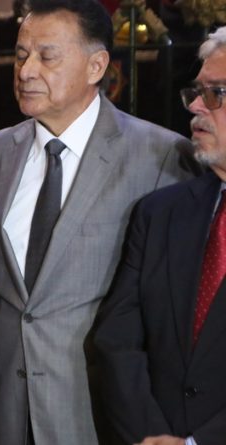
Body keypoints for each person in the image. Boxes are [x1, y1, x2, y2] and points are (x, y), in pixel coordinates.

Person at [0, 0, 198, 443]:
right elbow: (5, 285)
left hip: (100, 408)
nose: (26, 71)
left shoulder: (161, 157)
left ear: (96, 66)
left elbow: (171, 305)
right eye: (21, 55)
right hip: (10, 407)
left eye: (47, 56)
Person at [93, 27, 226, 445]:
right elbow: (117, 340)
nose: (196, 106)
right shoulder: (159, 212)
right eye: (196, 92)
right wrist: (152, 435)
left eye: (216, 93)